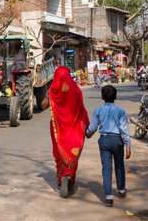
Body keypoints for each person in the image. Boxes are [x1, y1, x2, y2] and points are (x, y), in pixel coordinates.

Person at [41, 66, 90, 198]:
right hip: (74, 129)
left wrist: (48, 96)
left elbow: (43, 106)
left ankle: (61, 177)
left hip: (58, 129)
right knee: (72, 151)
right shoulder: (77, 90)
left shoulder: (53, 90)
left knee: (59, 153)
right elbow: (81, 110)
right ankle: (68, 178)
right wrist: (87, 125)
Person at [85, 85, 131, 207]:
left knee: (106, 168)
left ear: (102, 97)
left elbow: (92, 128)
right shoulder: (120, 110)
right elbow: (124, 129)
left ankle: (109, 197)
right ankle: (121, 190)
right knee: (119, 166)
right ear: (115, 96)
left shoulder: (98, 110)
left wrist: (87, 134)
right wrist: (128, 145)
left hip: (104, 140)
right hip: (117, 140)